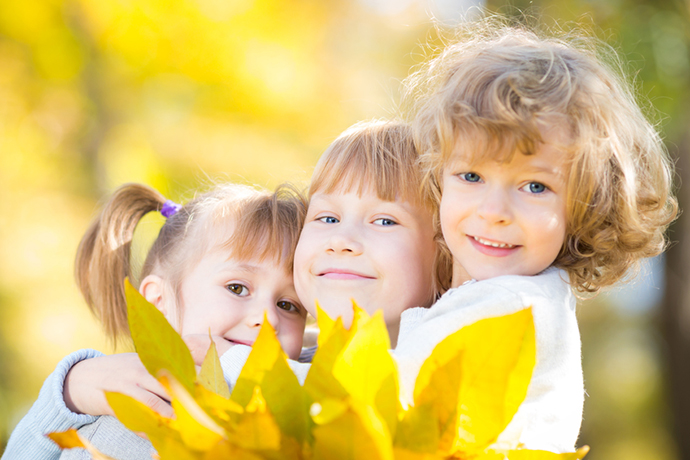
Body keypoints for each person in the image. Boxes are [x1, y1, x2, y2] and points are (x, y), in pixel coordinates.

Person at [390, 17, 678, 453]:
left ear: (587, 205)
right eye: (471, 175)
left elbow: (373, 393)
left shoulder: (511, 307)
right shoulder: (522, 296)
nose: (494, 212)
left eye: (535, 186)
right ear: (438, 175)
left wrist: (252, 358)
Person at [2, 182, 309, 460]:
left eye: (288, 304)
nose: (267, 319)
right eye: (237, 288)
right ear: (157, 302)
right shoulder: (120, 429)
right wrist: (65, 395)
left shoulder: (313, 396)